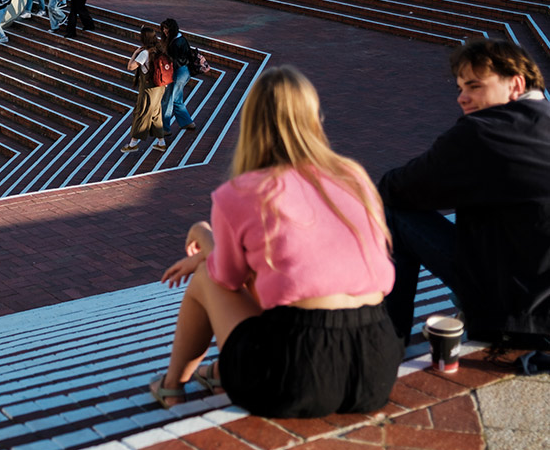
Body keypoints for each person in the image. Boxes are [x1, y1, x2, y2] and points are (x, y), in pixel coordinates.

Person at [150, 66, 401, 417]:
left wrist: (203, 235)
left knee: (208, 276)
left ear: (250, 124)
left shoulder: (241, 192)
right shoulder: (353, 176)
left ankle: (172, 385)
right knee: (266, 277)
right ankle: (220, 371)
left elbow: (225, 277)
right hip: (375, 366)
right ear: (316, 118)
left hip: (294, 377)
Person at [379, 39, 550, 348]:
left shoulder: (483, 131)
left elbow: (401, 187)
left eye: (474, 86)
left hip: (518, 311)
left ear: (516, 84)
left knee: (394, 212)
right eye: (460, 89)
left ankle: (388, 346)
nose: (463, 98)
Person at [121, 26, 169, 154]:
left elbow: (130, 67)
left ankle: (133, 144)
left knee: (142, 113)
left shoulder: (144, 53)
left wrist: (134, 54)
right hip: (160, 86)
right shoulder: (160, 49)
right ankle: (161, 142)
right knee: (155, 113)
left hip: (148, 88)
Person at [160, 17, 196, 135]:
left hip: (179, 71)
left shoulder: (177, 41)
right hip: (181, 71)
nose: (165, 31)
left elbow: (177, 60)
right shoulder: (177, 39)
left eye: (167, 29)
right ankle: (186, 122)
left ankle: (165, 128)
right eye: (164, 28)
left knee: (169, 99)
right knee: (175, 99)